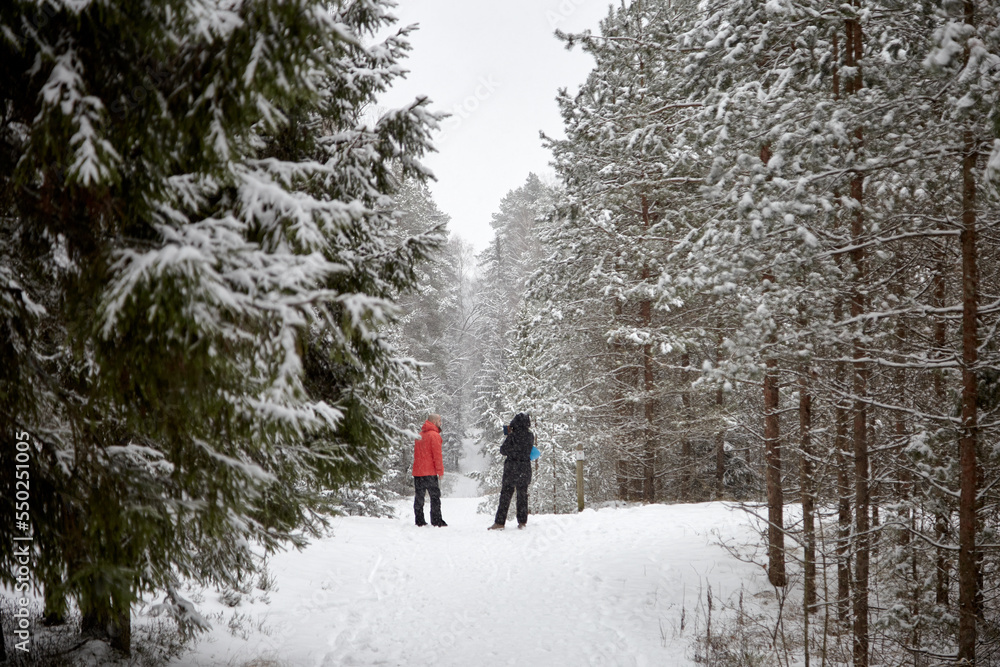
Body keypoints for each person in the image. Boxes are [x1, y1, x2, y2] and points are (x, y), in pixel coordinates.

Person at [488, 412, 534, 530]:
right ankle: (522, 522)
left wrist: (509, 436)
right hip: (525, 468)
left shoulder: (512, 436)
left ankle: (500, 522)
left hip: (512, 469)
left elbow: (503, 450)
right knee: (522, 495)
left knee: (506, 496)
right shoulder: (530, 436)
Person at [413, 413, 447, 527]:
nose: (441, 423)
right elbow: (437, 456)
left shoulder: (420, 435)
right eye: (439, 421)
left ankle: (419, 520)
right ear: (434, 422)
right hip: (430, 472)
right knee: (435, 496)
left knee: (419, 496)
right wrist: (440, 471)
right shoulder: (434, 435)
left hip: (418, 471)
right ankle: (436, 520)